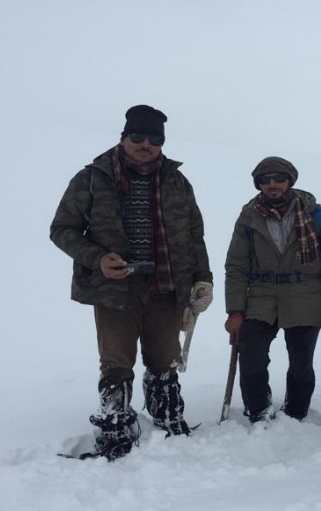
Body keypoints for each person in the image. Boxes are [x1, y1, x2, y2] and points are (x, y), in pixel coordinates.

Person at [50, 104, 213, 460]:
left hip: (166, 286)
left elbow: (194, 234)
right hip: (113, 289)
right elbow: (61, 230)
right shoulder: (92, 177)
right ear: (123, 138)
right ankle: (116, 431)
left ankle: (168, 420)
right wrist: (98, 259)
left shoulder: (176, 181)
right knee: (116, 362)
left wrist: (204, 280)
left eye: (154, 138)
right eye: (137, 136)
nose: (145, 144)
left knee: (165, 359)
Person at [224, 157, 321, 423]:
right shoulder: (248, 217)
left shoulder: (314, 214)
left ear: (290, 180)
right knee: (252, 355)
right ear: (258, 184)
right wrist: (235, 311)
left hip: (307, 294)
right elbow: (236, 267)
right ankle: (259, 411)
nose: (272, 184)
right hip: (261, 295)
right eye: (265, 180)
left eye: (279, 178)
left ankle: (296, 413)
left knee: (301, 362)